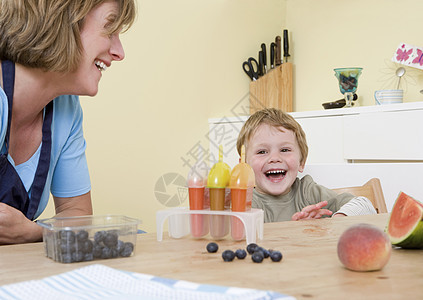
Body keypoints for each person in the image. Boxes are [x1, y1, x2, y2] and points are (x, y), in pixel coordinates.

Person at [0, 0, 136, 244]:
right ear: (64, 22)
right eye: (110, 28)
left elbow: (77, 213)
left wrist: (32, 232)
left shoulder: (66, 110)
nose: (119, 52)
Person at [236, 108, 376, 222]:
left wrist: (336, 221)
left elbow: (365, 205)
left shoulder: (307, 192)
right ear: (244, 166)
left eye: (285, 150)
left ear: (301, 162)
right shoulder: (243, 201)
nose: (274, 158)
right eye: (262, 151)